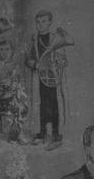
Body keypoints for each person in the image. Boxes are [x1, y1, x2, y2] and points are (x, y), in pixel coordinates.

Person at [25, 9, 73, 151]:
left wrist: (58, 63)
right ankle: (42, 133)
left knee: (54, 105)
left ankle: (57, 134)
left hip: (53, 78)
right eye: (38, 22)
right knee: (41, 105)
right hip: (39, 77)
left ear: (50, 22)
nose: (40, 24)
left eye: (44, 21)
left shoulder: (55, 38)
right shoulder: (34, 39)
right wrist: (35, 64)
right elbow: (28, 59)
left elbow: (63, 59)